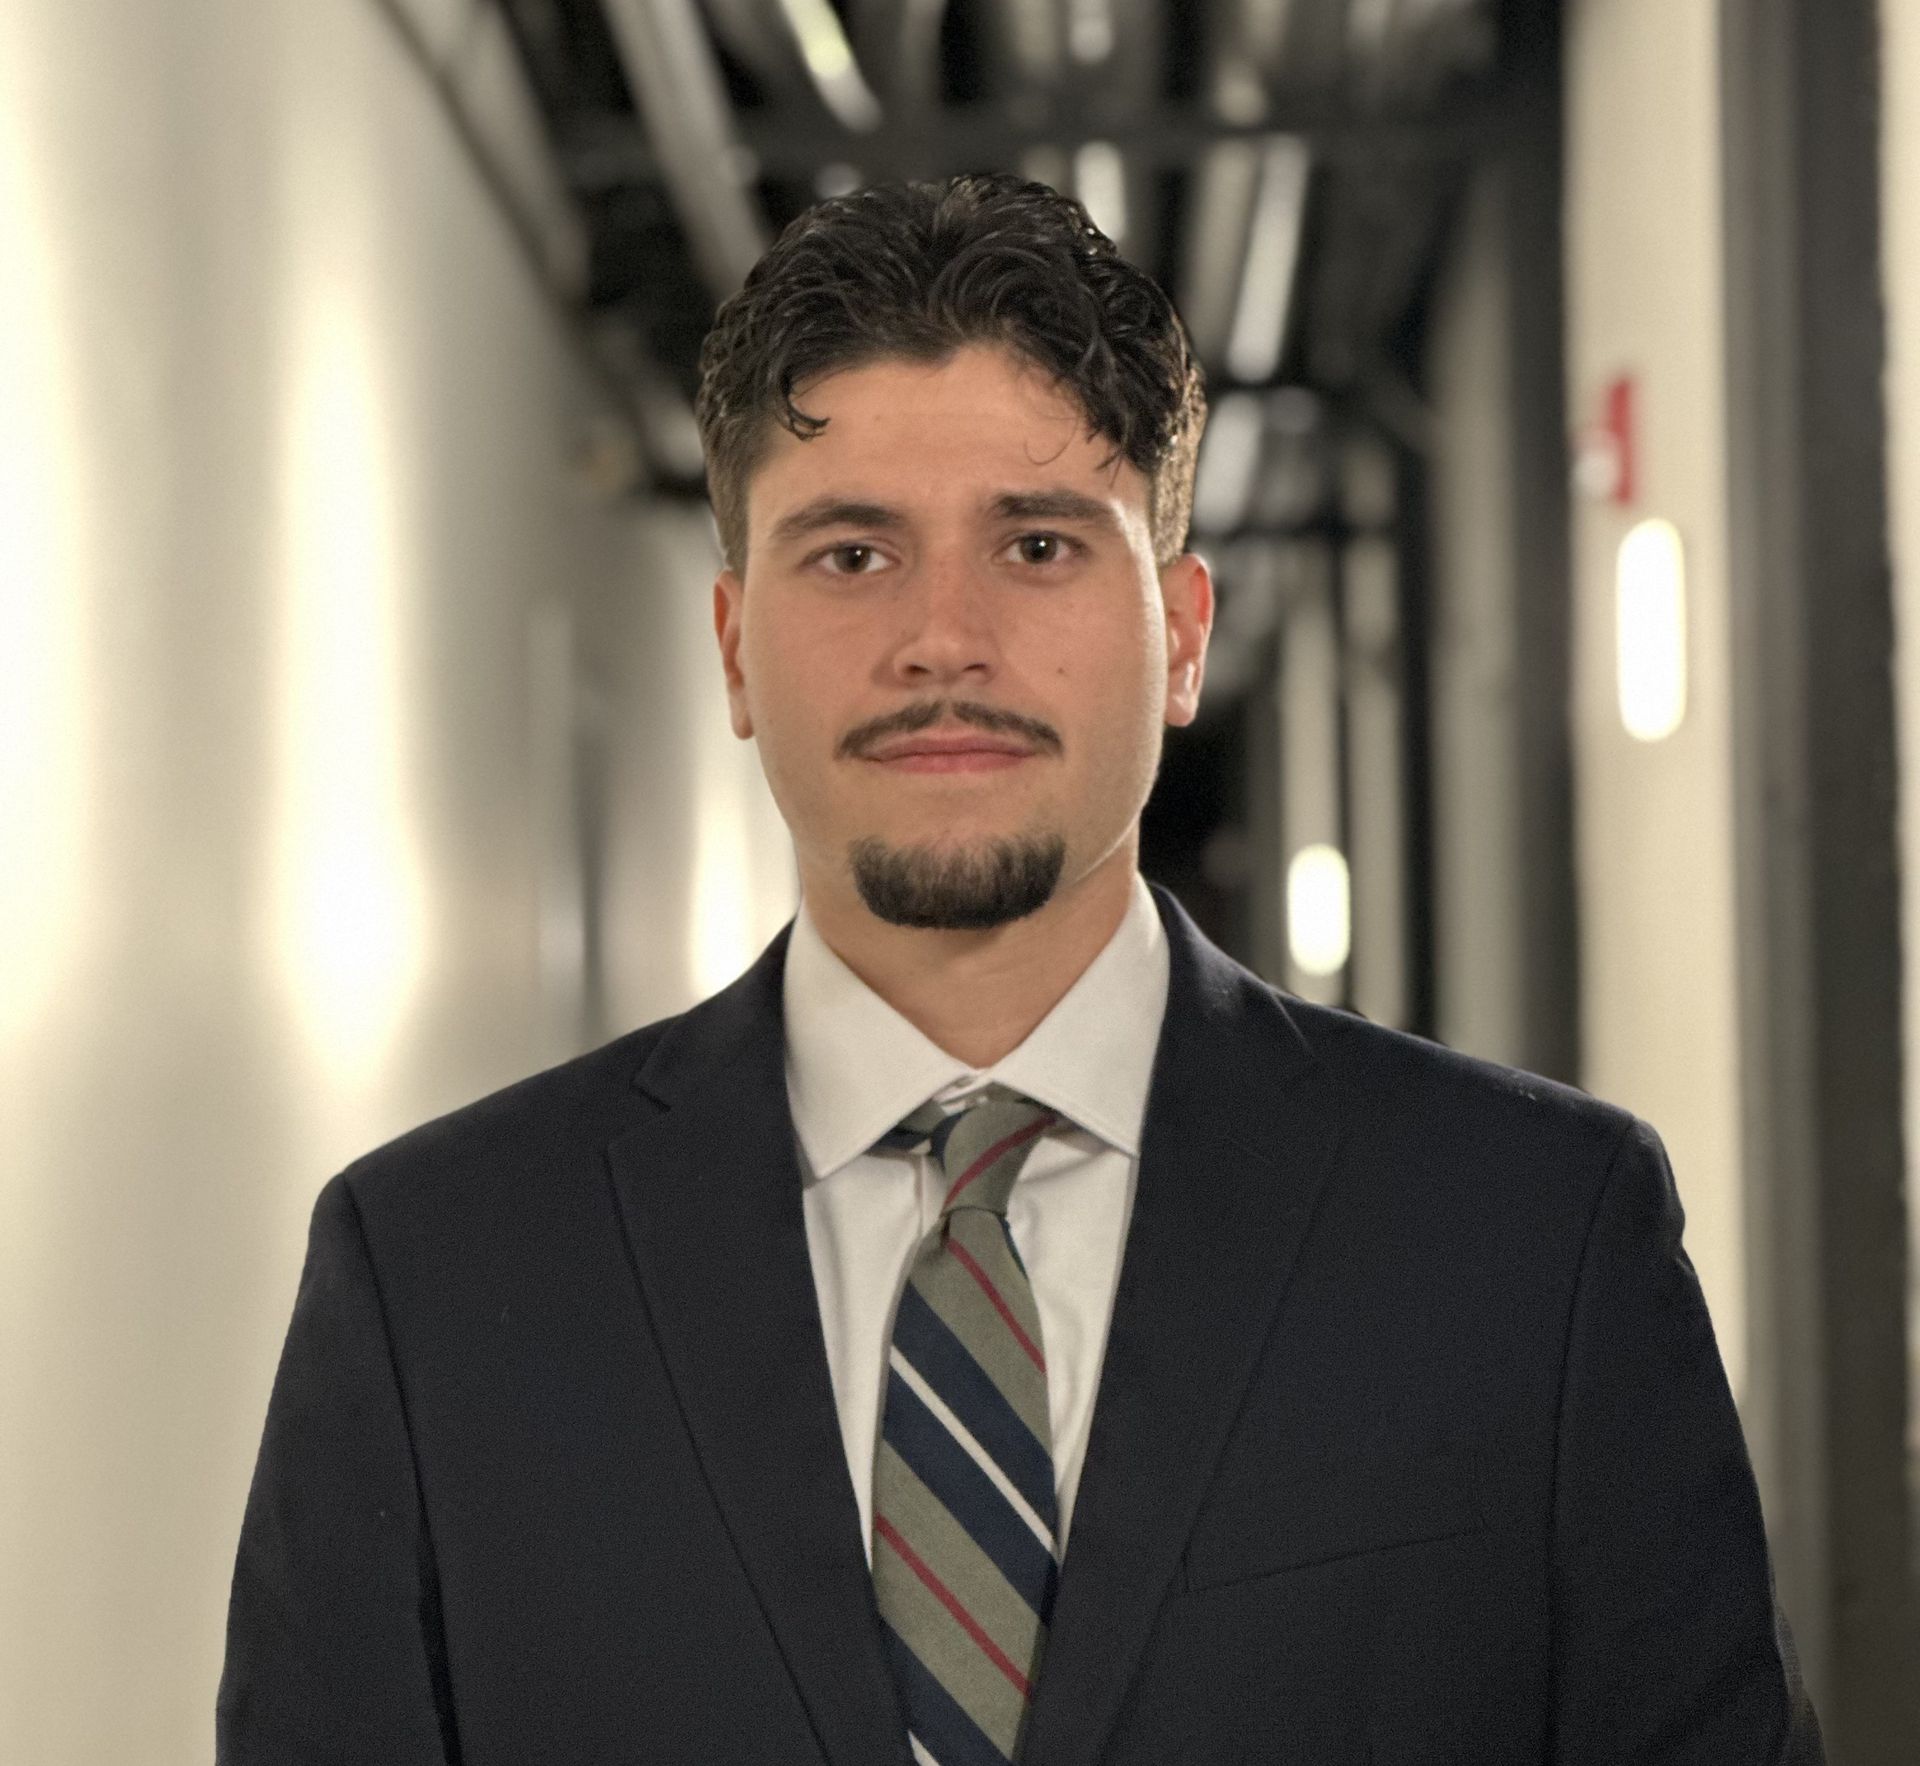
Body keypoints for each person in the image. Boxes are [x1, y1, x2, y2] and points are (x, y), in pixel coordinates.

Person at [217, 172, 1822, 1765]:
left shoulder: (1535, 1243)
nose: (944, 638)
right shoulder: (434, 1285)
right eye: (853, 555)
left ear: (1182, 633)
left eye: (1039, 543)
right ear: (735, 649)